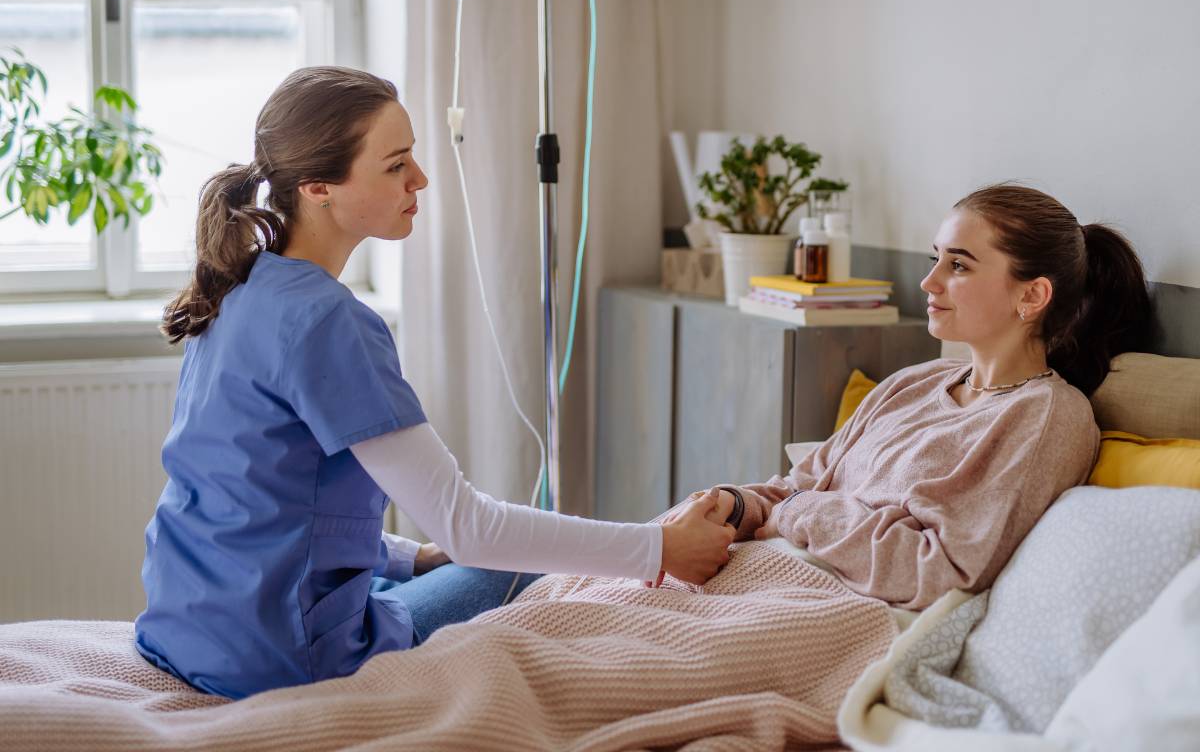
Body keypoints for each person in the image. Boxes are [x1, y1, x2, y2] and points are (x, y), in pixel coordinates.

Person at [134, 66, 735, 700]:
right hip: (281, 661)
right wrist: (659, 549)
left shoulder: (238, 289)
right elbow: (468, 528)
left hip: (188, 632)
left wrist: (411, 560)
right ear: (318, 187)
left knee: (454, 561)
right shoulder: (329, 322)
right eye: (396, 165)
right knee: (527, 568)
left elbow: (256, 504)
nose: (420, 178)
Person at [667, 184, 1151, 610]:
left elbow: (942, 573)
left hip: (828, 610)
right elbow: (797, 486)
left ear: (1032, 296)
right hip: (756, 576)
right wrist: (729, 505)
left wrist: (797, 513)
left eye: (958, 264)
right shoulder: (915, 383)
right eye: (934, 258)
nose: (928, 281)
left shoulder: (1047, 415)